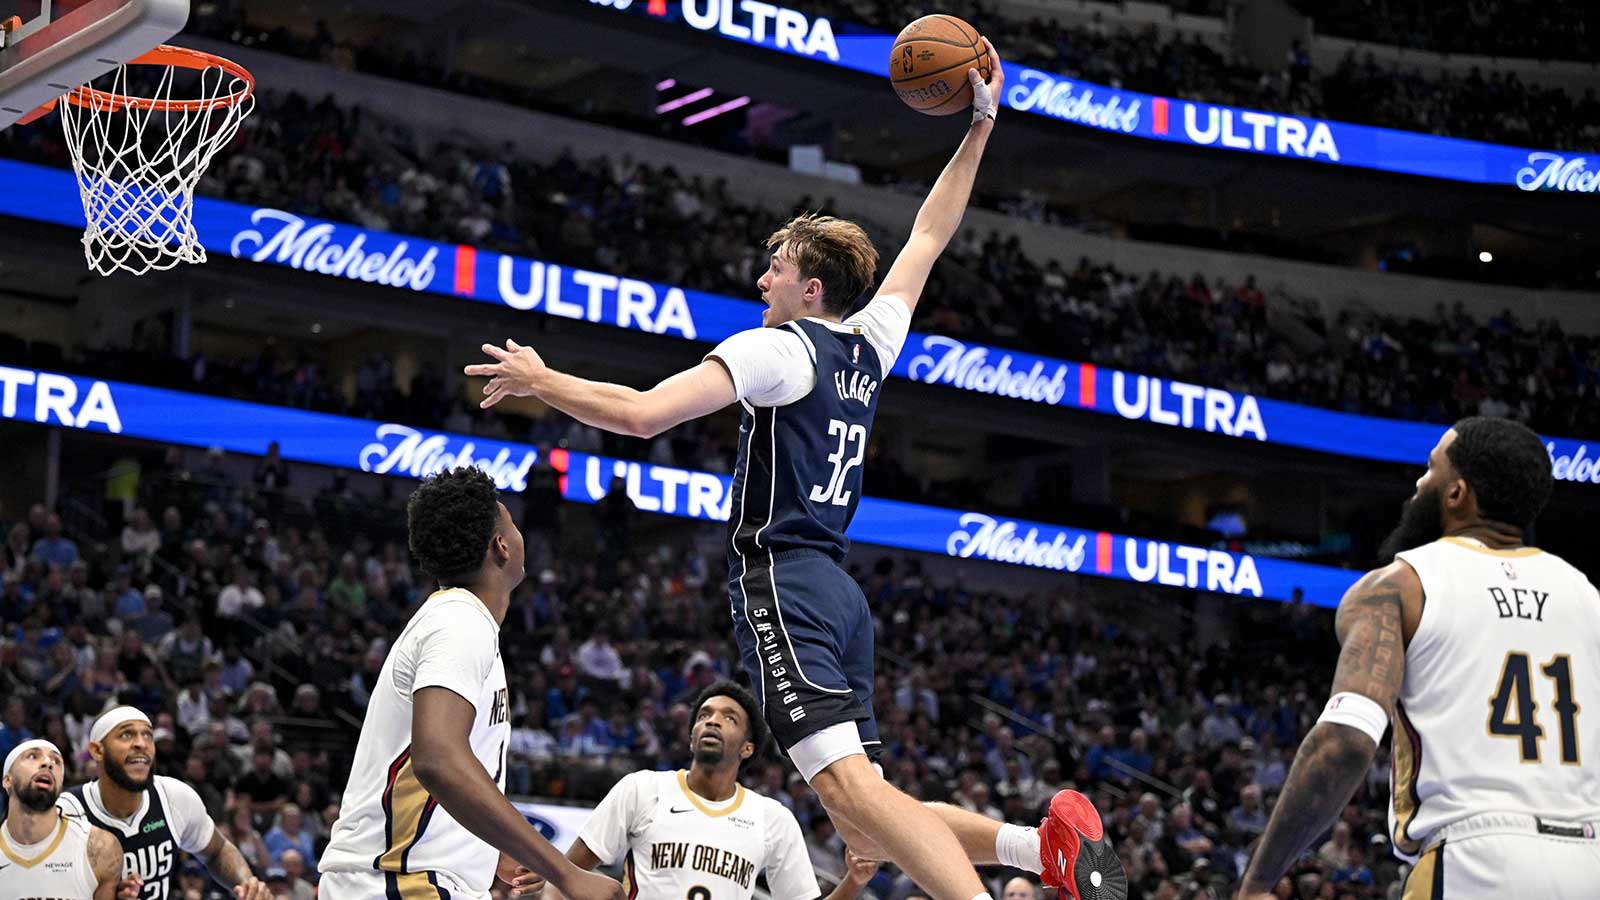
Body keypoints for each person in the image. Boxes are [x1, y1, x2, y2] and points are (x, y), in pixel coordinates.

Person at [466, 45, 1122, 900]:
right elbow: (931, 233)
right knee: (863, 820)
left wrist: (543, 379)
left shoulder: (779, 349)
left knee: (853, 796)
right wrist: (983, 122)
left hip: (785, 581)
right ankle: (1042, 850)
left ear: (812, 288)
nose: (760, 278)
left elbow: (638, 413)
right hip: (840, 593)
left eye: (775, 267)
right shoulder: (871, 340)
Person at [1236, 418, 1600, 898]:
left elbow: (1343, 743)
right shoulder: (1587, 596)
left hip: (1474, 861)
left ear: (1456, 494)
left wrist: (1259, 880)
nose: (1418, 482)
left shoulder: (1398, 586)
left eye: (1430, 469)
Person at [318, 468, 624, 900]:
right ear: (501, 546)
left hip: (416, 878)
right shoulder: (460, 621)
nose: (519, 535)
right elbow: (438, 758)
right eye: (512, 525)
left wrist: (490, 847)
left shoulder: (459, 622)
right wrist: (565, 873)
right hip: (401, 881)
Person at [510, 680, 879, 900]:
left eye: (728, 718)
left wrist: (853, 880)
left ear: (747, 748)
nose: (712, 721)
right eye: (704, 715)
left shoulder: (773, 819)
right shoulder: (642, 788)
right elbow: (567, 874)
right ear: (691, 737)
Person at [58, 707, 271, 900]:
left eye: (147, 735)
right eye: (126, 734)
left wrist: (246, 883)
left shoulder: (174, 797)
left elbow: (218, 850)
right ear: (97, 750)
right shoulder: (66, 813)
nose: (141, 743)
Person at [1, 739, 122, 900]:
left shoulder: (99, 847)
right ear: (7, 780)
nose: (47, 763)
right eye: (32, 756)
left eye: (57, 761)